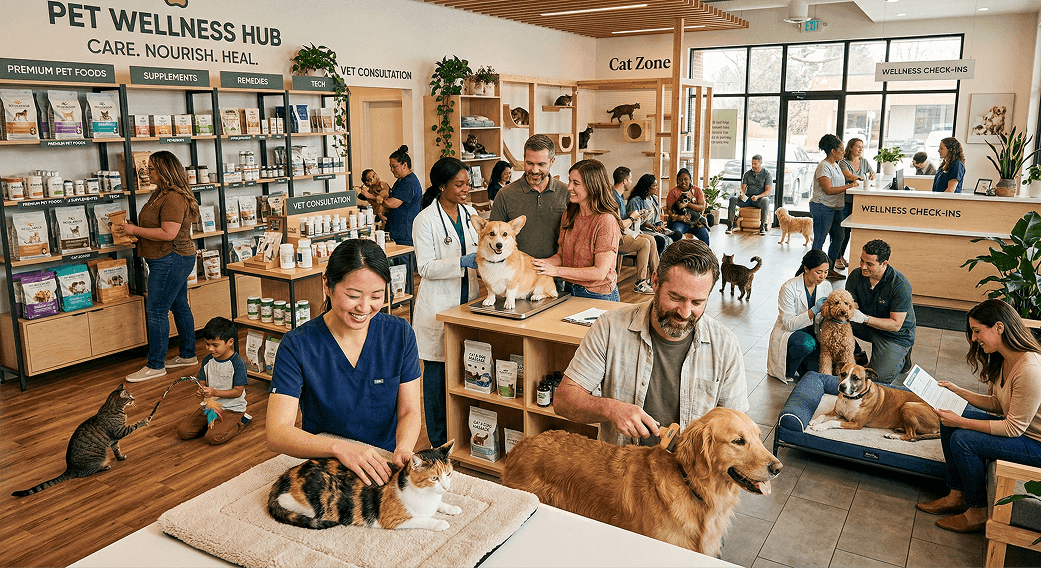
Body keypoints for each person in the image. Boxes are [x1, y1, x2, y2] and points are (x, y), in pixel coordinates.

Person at [552, 239, 748, 446]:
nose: (685, 312)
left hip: (694, 476)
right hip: (624, 471)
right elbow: (564, 401)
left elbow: (738, 427)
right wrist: (611, 409)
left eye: (697, 302)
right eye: (675, 297)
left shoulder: (725, 344)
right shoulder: (609, 327)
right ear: (655, 281)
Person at [267, 239, 421, 486]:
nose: (364, 307)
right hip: (326, 466)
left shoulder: (399, 334)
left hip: (382, 465)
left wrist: (403, 447)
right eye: (353, 295)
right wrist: (340, 448)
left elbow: (410, 411)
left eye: (376, 296)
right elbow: (276, 432)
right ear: (327, 285)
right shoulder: (298, 345)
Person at [917, 299, 1041, 534]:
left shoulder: (1030, 369)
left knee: (963, 438)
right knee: (949, 422)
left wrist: (961, 421)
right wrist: (957, 391)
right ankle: (956, 494)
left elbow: (1013, 429)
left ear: (999, 328)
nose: (974, 338)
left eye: (977, 331)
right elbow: (997, 403)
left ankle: (977, 511)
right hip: (1022, 432)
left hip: (1036, 444)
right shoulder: (1005, 359)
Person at [411, 157, 480, 448]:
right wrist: (462, 262)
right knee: (437, 380)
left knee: (469, 371)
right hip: (437, 309)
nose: (466, 189)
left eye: (468, 183)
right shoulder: (424, 220)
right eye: (459, 184)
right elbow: (425, 267)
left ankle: (463, 436)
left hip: (470, 301)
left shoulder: (470, 213)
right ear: (442, 186)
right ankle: (439, 441)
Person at [121, 150, 199, 382]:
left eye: (152, 168)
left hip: (171, 259)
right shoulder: (160, 194)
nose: (147, 172)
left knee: (156, 311)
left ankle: (156, 365)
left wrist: (134, 230)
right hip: (169, 259)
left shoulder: (173, 197)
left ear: (165, 172)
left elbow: (169, 233)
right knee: (179, 306)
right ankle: (187, 355)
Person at [531, 159, 622, 301]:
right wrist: (538, 264)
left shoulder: (606, 220)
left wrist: (555, 271)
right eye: (570, 181)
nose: (568, 187)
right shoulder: (569, 214)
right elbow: (562, 257)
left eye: (576, 183)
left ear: (593, 186)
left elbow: (599, 272)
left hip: (598, 295)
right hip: (569, 288)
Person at [845, 239, 916, 384]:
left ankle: (902, 355)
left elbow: (896, 325)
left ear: (884, 263)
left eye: (870, 264)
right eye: (862, 261)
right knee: (831, 321)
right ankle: (857, 354)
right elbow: (852, 303)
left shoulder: (900, 285)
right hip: (868, 325)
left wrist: (864, 318)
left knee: (877, 379)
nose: (863, 266)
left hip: (894, 335)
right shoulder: (856, 275)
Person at [489, 134, 569, 259]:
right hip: (517, 274)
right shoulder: (505, 195)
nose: (534, 170)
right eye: (529, 163)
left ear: (552, 161)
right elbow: (493, 240)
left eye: (541, 164)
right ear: (524, 159)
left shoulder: (566, 193)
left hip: (556, 273)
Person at [175, 317, 250, 445]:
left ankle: (241, 421)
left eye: (215, 345)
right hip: (210, 407)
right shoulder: (207, 360)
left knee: (213, 438)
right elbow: (202, 383)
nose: (210, 349)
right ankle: (211, 424)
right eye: (207, 344)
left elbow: (238, 392)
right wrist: (200, 391)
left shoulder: (238, 363)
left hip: (232, 409)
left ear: (230, 342)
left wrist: (214, 392)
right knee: (183, 432)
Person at [767, 250, 833, 383]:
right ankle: (787, 370)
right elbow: (789, 324)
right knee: (807, 344)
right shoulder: (789, 287)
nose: (823, 276)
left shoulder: (826, 286)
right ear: (806, 269)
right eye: (819, 272)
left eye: (826, 272)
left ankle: (801, 364)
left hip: (813, 332)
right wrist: (814, 310)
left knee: (814, 373)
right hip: (792, 333)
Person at [810, 134, 858, 279]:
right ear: (833, 151)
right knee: (819, 240)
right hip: (822, 207)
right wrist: (850, 185)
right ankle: (811, 271)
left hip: (836, 207)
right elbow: (828, 190)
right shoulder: (823, 167)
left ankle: (828, 270)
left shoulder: (835, 165)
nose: (843, 152)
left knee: (839, 237)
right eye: (841, 149)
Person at [613, 166, 659, 295]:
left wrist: (637, 214)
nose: (632, 182)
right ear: (625, 181)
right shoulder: (614, 198)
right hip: (617, 237)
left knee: (651, 239)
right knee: (644, 243)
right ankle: (640, 283)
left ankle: (656, 278)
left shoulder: (620, 196)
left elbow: (622, 217)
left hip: (625, 232)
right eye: (631, 179)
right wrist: (633, 218)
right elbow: (619, 225)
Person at [837, 138, 875, 270]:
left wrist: (871, 175)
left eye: (862, 147)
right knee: (842, 231)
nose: (860, 149)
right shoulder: (843, 162)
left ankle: (841, 256)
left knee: (849, 231)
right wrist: (862, 177)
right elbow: (848, 176)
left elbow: (871, 173)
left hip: (858, 201)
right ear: (851, 147)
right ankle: (837, 257)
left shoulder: (864, 161)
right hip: (846, 201)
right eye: (858, 146)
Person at [627, 173, 681, 255]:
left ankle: (670, 261)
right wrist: (651, 226)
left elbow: (657, 219)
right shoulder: (635, 201)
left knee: (677, 235)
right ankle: (658, 263)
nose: (657, 188)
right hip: (643, 231)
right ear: (647, 187)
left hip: (654, 229)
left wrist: (660, 226)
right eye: (654, 186)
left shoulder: (654, 199)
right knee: (661, 240)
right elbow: (634, 223)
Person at [381, 145, 423, 246]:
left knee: (403, 261)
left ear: (404, 165)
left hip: (404, 234)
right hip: (396, 230)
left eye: (394, 166)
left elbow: (393, 203)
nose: (391, 169)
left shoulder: (409, 182)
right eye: (390, 166)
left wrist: (378, 198)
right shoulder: (400, 181)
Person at [726, 155, 773, 235]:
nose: (753, 166)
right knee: (733, 199)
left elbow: (768, 191)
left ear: (761, 163)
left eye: (755, 164)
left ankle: (762, 226)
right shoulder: (747, 174)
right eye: (752, 164)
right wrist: (742, 194)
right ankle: (730, 225)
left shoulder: (767, 174)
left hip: (759, 199)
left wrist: (758, 196)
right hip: (747, 199)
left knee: (766, 200)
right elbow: (743, 188)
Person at [665, 168, 711, 245]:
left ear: (690, 179)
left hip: (696, 221)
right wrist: (675, 217)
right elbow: (669, 209)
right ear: (677, 181)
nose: (683, 182)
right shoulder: (673, 192)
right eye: (680, 180)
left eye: (686, 179)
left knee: (705, 236)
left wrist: (687, 205)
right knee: (677, 233)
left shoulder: (697, 190)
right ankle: (676, 255)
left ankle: (703, 256)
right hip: (679, 221)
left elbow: (701, 207)